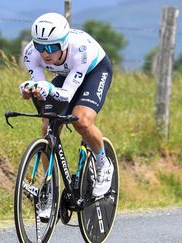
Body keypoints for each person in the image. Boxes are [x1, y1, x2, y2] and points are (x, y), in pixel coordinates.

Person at [19, 12, 114, 219]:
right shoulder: (30, 53)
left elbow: (67, 94)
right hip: (67, 74)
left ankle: (102, 163)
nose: (45, 53)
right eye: (40, 46)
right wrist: (31, 90)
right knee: (47, 127)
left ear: (63, 43)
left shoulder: (79, 51)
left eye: (52, 47)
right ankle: (49, 188)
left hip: (94, 71)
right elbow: (40, 85)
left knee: (81, 120)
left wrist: (46, 89)